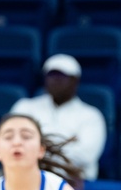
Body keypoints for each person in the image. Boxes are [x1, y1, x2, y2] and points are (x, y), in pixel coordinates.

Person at [10, 54, 107, 182]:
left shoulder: (91, 115)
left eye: (61, 76)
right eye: (51, 75)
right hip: (28, 180)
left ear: (74, 80)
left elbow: (86, 156)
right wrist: (63, 147)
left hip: (74, 184)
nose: (55, 80)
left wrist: (39, 149)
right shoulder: (25, 107)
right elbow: (11, 144)